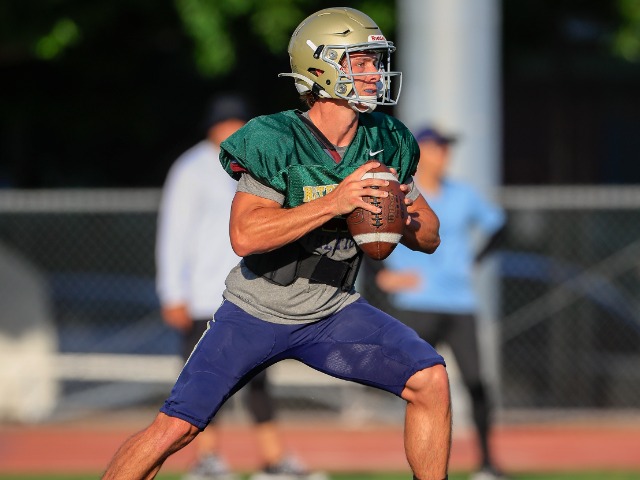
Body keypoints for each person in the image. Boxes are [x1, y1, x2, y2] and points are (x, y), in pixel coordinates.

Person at [102, 7, 452, 480]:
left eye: (376, 61)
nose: (375, 72)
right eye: (361, 61)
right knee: (176, 428)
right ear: (321, 67)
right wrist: (336, 201)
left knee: (430, 379)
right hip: (257, 311)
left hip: (333, 310)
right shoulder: (277, 138)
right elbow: (245, 235)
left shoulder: (385, 140)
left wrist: (397, 213)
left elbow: (430, 237)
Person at [156, 93, 311, 480]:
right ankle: (206, 459)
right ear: (211, 128)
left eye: (237, 123)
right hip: (203, 295)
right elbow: (173, 233)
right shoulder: (191, 168)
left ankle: (273, 460)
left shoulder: (258, 164)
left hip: (252, 291)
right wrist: (172, 292)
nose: (231, 130)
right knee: (204, 380)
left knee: (259, 378)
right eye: (224, 124)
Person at [375, 126, 507, 480]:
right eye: (438, 147)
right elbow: (367, 233)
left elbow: (500, 225)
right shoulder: (401, 192)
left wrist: (476, 261)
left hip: (459, 303)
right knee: (413, 384)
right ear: (420, 151)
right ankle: (414, 462)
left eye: (448, 148)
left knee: (476, 382)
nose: (445, 154)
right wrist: (381, 277)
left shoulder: (463, 194)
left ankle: (487, 463)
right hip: (415, 302)